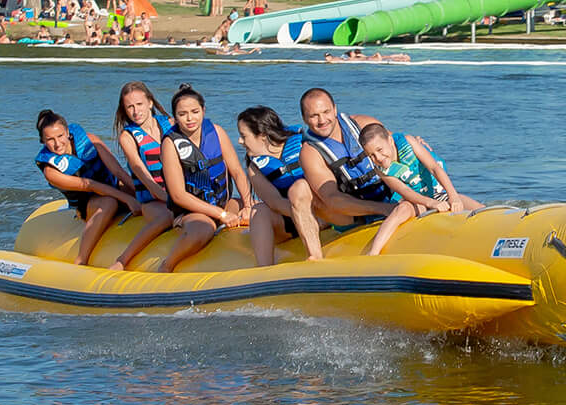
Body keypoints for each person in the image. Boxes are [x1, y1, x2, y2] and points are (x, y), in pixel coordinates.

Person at [34, 108, 158, 265]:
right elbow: (90, 185)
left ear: (67, 132)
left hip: (114, 187)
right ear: (43, 142)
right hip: (90, 204)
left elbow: (118, 171)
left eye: (60, 136)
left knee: (143, 193)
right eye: (50, 139)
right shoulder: (51, 171)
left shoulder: (90, 141)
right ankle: (82, 259)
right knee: (109, 203)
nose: (57, 143)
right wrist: (127, 199)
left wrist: (142, 193)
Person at [153, 85, 253, 271]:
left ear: (203, 111)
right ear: (174, 117)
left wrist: (247, 205)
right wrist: (221, 215)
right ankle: (166, 266)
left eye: (195, 111)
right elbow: (178, 196)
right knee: (203, 230)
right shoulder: (170, 143)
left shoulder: (216, 131)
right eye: (183, 114)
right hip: (192, 212)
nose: (190, 118)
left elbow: (238, 172)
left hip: (224, 202)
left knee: (259, 211)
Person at [358, 126, 481, 254]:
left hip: (439, 194)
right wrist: (430, 203)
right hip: (417, 202)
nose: (378, 158)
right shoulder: (380, 170)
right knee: (402, 210)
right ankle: (373, 252)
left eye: (379, 150)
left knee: (476, 206)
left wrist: (453, 196)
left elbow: (434, 168)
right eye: (371, 155)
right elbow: (404, 190)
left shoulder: (408, 142)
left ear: (390, 140)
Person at [293, 87, 400, 233]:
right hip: (357, 215)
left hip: (396, 197)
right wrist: (383, 209)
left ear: (335, 109)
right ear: (304, 119)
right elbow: (332, 198)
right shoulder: (310, 153)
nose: (322, 120)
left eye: (326, 112)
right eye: (314, 116)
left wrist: (413, 142)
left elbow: (398, 147)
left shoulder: (364, 124)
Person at [110, 81, 188, 270]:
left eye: (139, 104)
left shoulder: (170, 124)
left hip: (181, 193)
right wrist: (172, 200)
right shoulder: (127, 137)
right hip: (153, 200)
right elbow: (142, 173)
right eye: (130, 107)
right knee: (167, 217)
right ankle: (122, 260)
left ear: (150, 103)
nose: (136, 111)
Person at [237, 105, 323, 265]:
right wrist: (304, 217)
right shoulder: (255, 167)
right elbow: (275, 203)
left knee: (302, 187)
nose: (240, 141)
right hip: (290, 219)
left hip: (323, 210)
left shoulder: (304, 145)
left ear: (262, 136)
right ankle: (265, 271)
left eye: (244, 136)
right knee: (259, 210)